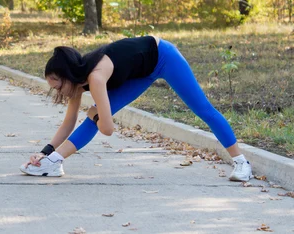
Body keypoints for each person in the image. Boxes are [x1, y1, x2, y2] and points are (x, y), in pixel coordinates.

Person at [20, 36, 253, 182]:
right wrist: (46, 152)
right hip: (141, 71)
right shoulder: (77, 84)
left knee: (204, 110)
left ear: (68, 76)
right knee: (94, 115)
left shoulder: (96, 76)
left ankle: (242, 163)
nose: (58, 92)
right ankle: (54, 163)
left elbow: (108, 129)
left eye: (58, 85)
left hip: (164, 57)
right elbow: (68, 123)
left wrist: (97, 113)